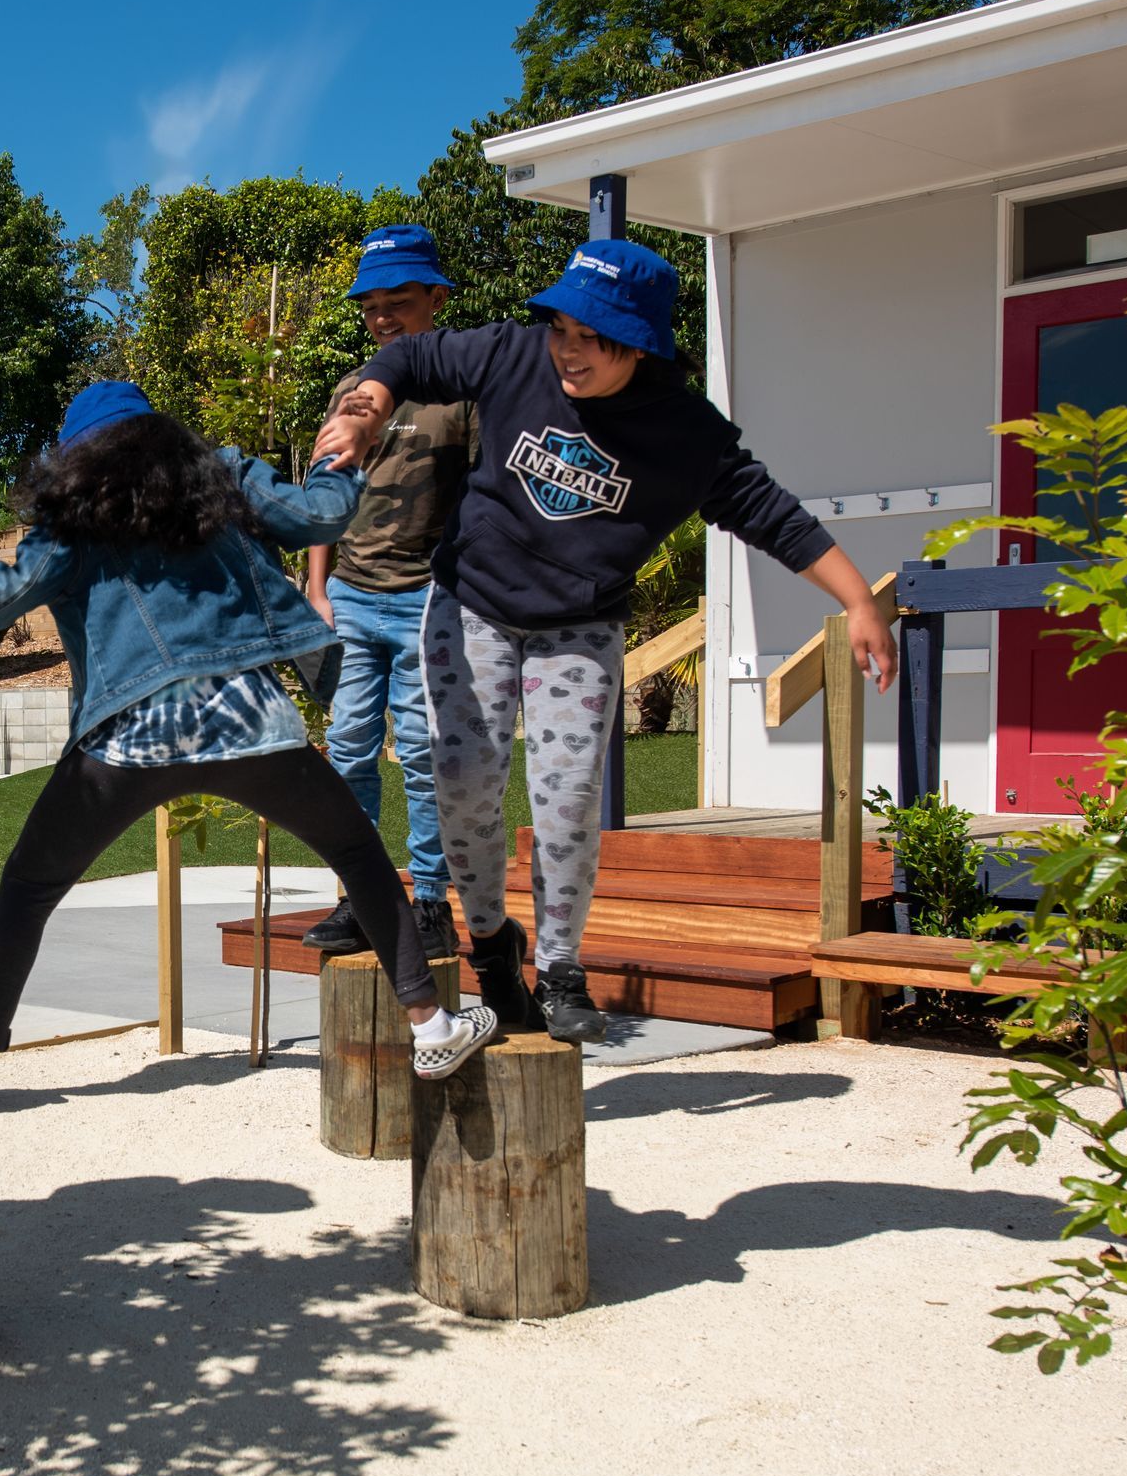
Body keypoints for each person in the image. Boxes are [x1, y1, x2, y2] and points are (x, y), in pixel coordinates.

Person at [0, 381, 500, 1130]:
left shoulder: (69, 523)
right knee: (356, 851)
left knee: (26, 891)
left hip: (128, 737)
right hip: (249, 723)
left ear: (75, 458)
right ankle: (431, 1029)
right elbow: (322, 515)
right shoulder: (223, 479)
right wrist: (343, 452)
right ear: (162, 435)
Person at [331, 240, 894, 1044]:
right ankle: (492, 944)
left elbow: (775, 516)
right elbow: (414, 354)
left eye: (590, 338)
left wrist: (859, 601)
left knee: (564, 798)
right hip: (474, 603)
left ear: (639, 342)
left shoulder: (685, 432)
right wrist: (367, 405)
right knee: (461, 776)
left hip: (578, 624)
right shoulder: (515, 355)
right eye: (561, 327)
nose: (567, 350)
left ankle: (560, 963)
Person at [298, 224, 472, 964]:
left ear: (436, 297)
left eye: (398, 301)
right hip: (353, 600)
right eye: (370, 306)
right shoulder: (353, 390)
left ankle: (429, 902)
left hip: (430, 599)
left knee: (428, 758)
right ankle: (361, 897)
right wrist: (316, 587)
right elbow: (322, 493)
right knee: (347, 752)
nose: (381, 318)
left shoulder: (466, 389)